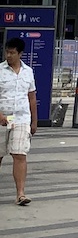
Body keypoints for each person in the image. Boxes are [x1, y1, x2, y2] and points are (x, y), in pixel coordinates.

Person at [0, 37, 37, 205]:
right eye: (7, 52)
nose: (9, 55)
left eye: (12, 53)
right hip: (2, 116)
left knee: (19, 154)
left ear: (20, 54)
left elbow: (31, 98)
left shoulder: (28, 72)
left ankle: (20, 194)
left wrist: (34, 122)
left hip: (21, 118)